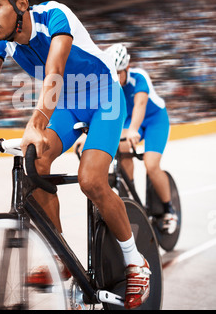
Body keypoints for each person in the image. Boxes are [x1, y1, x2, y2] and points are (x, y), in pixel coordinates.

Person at [0, 0, 150, 309]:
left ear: (21, 3)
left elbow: (55, 71)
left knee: (91, 180)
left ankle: (136, 260)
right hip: (68, 102)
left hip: (104, 97)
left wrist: (36, 120)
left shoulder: (55, 16)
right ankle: (61, 255)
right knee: (35, 159)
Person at [76, 43, 177, 233]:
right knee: (122, 151)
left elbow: (140, 105)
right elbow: (99, 110)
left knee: (151, 165)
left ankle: (168, 210)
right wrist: (86, 135)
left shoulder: (139, 77)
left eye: (118, 73)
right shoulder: (108, 82)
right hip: (129, 120)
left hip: (154, 120)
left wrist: (133, 129)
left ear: (127, 68)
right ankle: (131, 195)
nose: (115, 77)